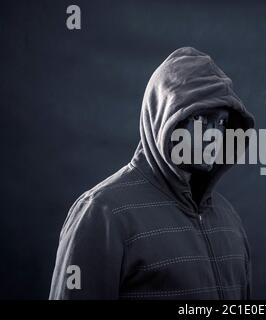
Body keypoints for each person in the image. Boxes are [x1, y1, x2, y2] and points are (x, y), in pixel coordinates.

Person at [49, 47, 255, 300]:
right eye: (203, 119)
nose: (214, 135)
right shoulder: (102, 213)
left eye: (221, 123)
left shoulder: (228, 219)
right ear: (165, 119)